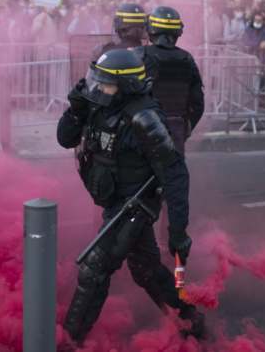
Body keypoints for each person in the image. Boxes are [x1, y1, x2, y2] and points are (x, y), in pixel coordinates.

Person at [57, 49, 204, 347]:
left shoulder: (144, 118)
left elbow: (175, 174)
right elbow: (65, 139)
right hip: (114, 201)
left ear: (124, 86)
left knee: (94, 270)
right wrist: (74, 110)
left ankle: (67, 344)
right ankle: (190, 321)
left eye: (105, 83)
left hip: (134, 206)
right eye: (96, 80)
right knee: (145, 270)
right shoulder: (99, 103)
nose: (97, 87)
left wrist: (178, 232)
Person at [134, 6, 205, 154]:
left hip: (141, 128)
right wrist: (185, 128)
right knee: (174, 174)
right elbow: (198, 104)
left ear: (150, 30)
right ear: (178, 32)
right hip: (175, 129)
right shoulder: (187, 59)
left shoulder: (139, 55)